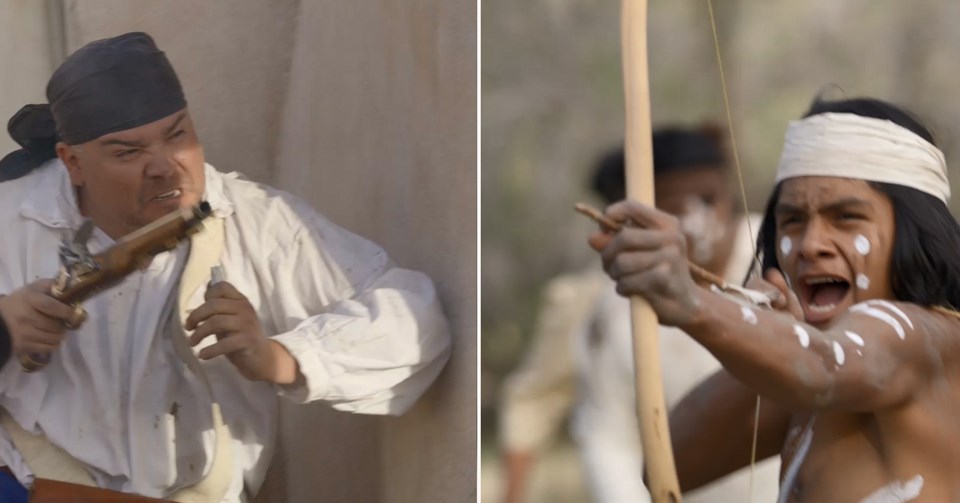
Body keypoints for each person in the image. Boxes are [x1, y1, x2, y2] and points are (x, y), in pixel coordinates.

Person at [0, 32, 451, 502]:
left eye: (177, 135)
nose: (165, 168)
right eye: (128, 153)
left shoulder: (255, 220)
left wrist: (280, 357)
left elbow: (418, 320)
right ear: (72, 162)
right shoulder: (10, 217)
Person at [590, 95, 960, 502]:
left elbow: (824, 365)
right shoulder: (804, 385)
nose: (811, 244)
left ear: (913, 231)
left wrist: (689, 301)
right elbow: (669, 464)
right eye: (793, 220)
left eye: (846, 217)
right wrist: (771, 336)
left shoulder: (923, 338)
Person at [500, 126, 779, 503]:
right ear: (635, 219)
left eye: (708, 199)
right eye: (672, 209)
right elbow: (610, 440)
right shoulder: (615, 309)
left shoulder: (784, 260)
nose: (696, 221)